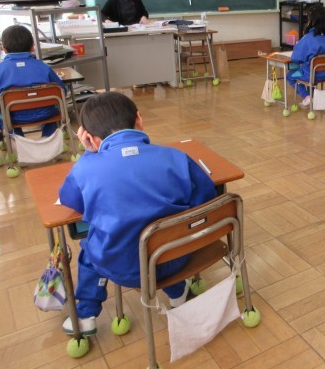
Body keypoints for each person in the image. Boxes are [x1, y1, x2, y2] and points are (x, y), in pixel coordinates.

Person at [58, 92, 217, 335]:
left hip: (122, 267)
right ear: (139, 120)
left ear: (88, 137)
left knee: (90, 249)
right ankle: (177, 293)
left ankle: (86, 315)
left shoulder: (85, 169)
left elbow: (70, 200)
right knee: (164, 236)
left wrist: (89, 154)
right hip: (175, 257)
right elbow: (206, 198)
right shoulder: (176, 157)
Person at [0, 25, 65, 137]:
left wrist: (3, 107)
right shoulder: (44, 67)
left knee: (3, 114)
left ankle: (17, 140)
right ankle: (48, 137)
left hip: (12, 116)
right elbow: (62, 91)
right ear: (32, 47)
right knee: (55, 107)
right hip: (46, 113)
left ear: (4, 49)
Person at [286, 4, 325, 107]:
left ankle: (307, 96)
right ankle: (314, 96)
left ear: (311, 20)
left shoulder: (308, 38)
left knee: (290, 75)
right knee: (308, 69)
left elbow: (295, 58)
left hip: (310, 75)